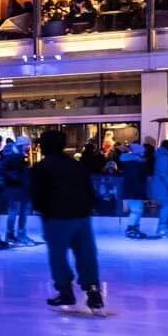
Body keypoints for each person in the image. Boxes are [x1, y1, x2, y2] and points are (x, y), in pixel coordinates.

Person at [30, 129, 104, 312]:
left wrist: (43, 211)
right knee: (86, 255)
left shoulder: (41, 168)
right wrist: (88, 207)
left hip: (57, 218)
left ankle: (65, 291)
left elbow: (37, 195)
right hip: (81, 218)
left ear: (46, 146)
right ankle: (93, 292)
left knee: (58, 256)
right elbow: (90, 190)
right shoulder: (76, 165)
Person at [2, 135, 35, 245]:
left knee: (22, 212)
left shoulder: (21, 155)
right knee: (14, 211)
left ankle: (19, 234)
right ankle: (10, 235)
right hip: (14, 188)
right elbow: (3, 169)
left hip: (22, 188)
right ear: (21, 145)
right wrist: (14, 177)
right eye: (27, 145)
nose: (28, 147)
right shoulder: (13, 156)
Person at [119, 143, 149, 239]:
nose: (144, 153)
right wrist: (141, 192)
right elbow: (137, 179)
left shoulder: (133, 162)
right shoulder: (135, 163)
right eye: (142, 151)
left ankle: (134, 228)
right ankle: (131, 229)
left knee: (137, 210)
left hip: (132, 190)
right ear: (138, 152)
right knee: (136, 210)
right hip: (133, 191)